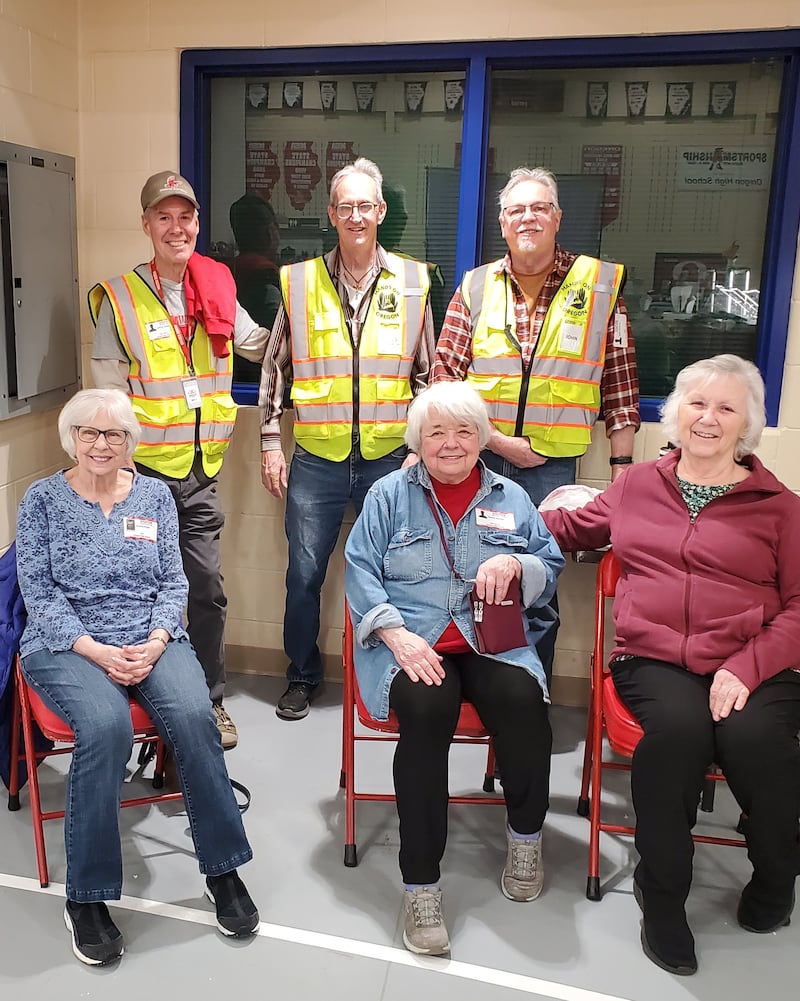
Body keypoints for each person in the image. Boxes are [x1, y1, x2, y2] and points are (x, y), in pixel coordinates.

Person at [540, 355, 800, 976]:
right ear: (676, 412)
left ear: (747, 425)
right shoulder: (635, 486)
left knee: (758, 740)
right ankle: (663, 903)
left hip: (751, 659)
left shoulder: (781, 507)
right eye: (697, 404)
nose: (708, 419)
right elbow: (570, 527)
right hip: (652, 657)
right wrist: (480, 513)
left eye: (726, 407)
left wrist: (748, 665)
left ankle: (774, 880)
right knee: (676, 739)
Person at [15, 389, 259, 967]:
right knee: (104, 728)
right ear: (71, 438)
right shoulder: (42, 500)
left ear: (131, 441)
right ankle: (87, 897)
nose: (101, 445)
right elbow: (39, 594)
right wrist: (97, 651)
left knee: (198, 719)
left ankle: (222, 870)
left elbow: (175, 583)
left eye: (115, 434)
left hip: (149, 638)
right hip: (66, 642)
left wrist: (153, 642)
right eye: (89, 433)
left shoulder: (154, 495)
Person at [344, 381, 564, 956]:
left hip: (491, 644)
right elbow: (359, 571)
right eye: (436, 431)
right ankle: (421, 884)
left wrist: (517, 566)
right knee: (426, 711)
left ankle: (525, 835)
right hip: (412, 644)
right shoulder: (388, 496)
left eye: (464, 430)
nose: (450, 443)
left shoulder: (510, 497)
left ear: (482, 438)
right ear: (418, 439)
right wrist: (395, 636)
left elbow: (550, 562)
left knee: (523, 703)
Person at [432, 165, 640, 684]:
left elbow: (621, 387)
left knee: (539, 588)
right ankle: (483, 692)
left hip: (552, 472)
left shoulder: (597, 286)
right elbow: (443, 381)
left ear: (557, 217)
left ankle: (532, 701)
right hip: (480, 464)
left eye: (539, 207)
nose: (528, 217)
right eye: (516, 210)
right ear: (502, 223)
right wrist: (499, 441)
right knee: (472, 579)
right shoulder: (476, 287)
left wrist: (623, 474)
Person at [90, 170, 271, 749]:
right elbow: (106, 401)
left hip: (199, 476)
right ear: (146, 225)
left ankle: (209, 700)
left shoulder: (217, 285)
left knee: (205, 590)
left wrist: (308, 335)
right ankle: (127, 701)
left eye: (185, 216)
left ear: (197, 223)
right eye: (163, 217)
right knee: (130, 590)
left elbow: (255, 344)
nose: (176, 228)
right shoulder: (119, 298)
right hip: (138, 481)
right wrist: (112, 480)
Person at [260, 156, 436, 721]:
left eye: (366, 205)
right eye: (346, 207)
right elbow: (276, 367)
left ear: (380, 211)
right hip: (318, 456)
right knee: (305, 573)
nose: (356, 215)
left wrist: (421, 447)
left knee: (395, 570)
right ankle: (302, 675)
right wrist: (269, 439)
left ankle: (389, 673)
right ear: (331, 214)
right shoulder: (301, 280)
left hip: (393, 457)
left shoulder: (413, 280)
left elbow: (428, 374)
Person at [229, 192, 283, 383]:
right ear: (270, 233)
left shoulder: (228, 276)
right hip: (261, 384)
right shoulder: (268, 287)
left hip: (235, 381)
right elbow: (277, 346)